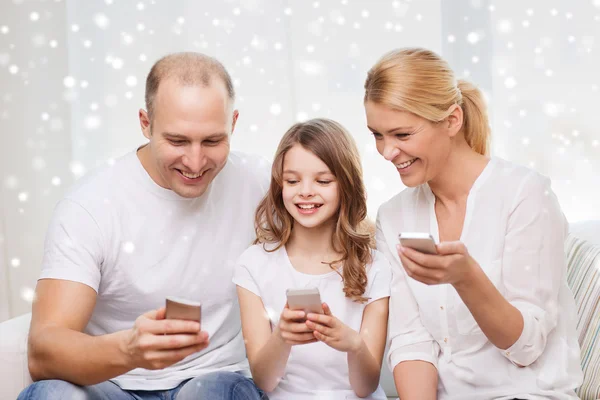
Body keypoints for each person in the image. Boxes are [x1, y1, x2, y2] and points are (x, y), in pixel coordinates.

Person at [18, 52, 270, 400]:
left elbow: (340, 225)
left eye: (212, 141)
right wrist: (129, 351)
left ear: (234, 123)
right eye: (177, 141)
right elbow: (43, 351)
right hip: (114, 385)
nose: (196, 162)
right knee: (50, 394)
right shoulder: (90, 206)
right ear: (145, 123)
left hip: (214, 380)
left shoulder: (260, 183)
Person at [364, 48, 583, 400]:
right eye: (377, 135)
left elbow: (526, 347)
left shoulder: (525, 196)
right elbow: (411, 343)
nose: (387, 152)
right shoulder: (393, 217)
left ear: (452, 120)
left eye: (401, 135)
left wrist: (466, 278)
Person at [233, 118, 391, 400]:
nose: (305, 191)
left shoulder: (375, 266)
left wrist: (353, 345)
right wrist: (282, 337)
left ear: (346, 185)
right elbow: (264, 381)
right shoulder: (254, 264)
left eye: (323, 180)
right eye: (293, 181)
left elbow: (365, 387)